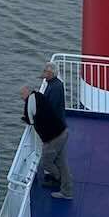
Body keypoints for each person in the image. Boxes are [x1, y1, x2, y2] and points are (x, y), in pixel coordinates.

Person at [21, 62, 73, 200]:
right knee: (61, 161)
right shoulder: (55, 84)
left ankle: (64, 182)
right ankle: (66, 188)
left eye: (45, 72)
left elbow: (49, 108)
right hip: (59, 130)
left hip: (55, 132)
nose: (43, 74)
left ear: (50, 73)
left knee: (47, 162)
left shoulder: (55, 87)